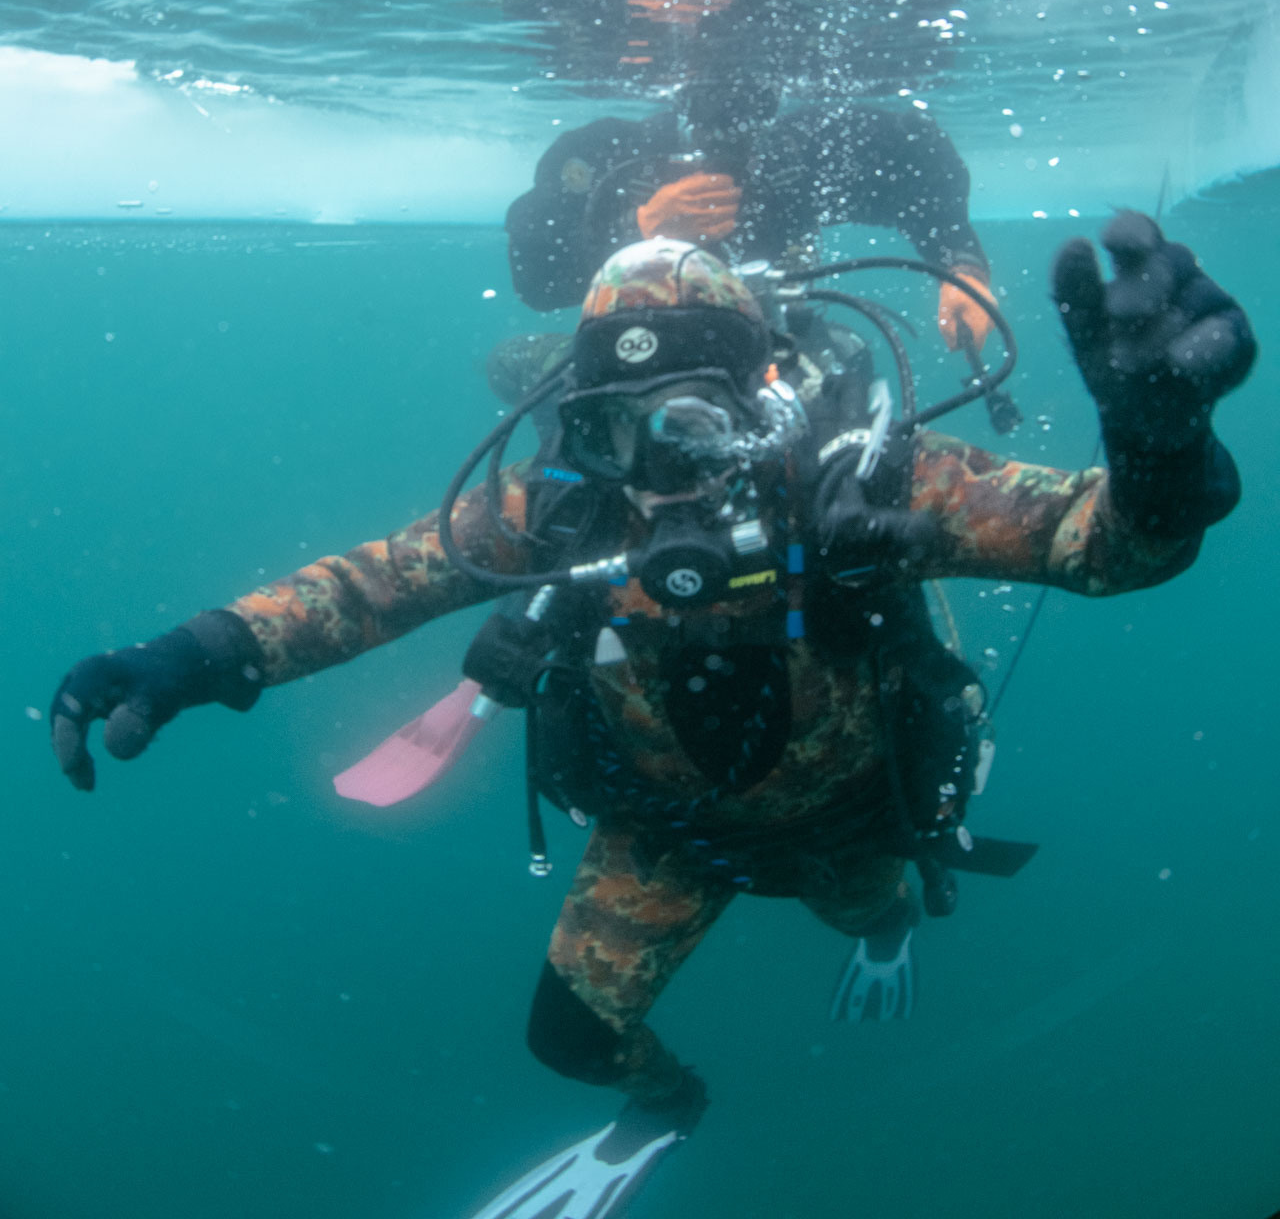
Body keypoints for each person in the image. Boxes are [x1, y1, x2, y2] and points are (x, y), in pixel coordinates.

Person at [51, 213, 1254, 1218]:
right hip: (661, 834)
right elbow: (379, 581)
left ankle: (885, 931)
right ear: (577, 420)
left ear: (763, 392)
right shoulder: (561, 513)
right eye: (614, 426)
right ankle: (665, 1109)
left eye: (690, 420)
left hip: (854, 814)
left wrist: (1159, 456)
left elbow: (1092, 547)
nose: (657, 468)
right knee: (566, 1039)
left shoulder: (876, 482)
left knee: (864, 910)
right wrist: (196, 653)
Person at [506, 76, 1000, 360]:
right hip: (634, 351)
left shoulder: (794, 160)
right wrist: (639, 228)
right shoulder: (615, 158)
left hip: (762, 352)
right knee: (539, 375)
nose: (725, 144)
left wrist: (963, 267)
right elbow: (536, 278)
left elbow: (916, 159)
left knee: (847, 367)